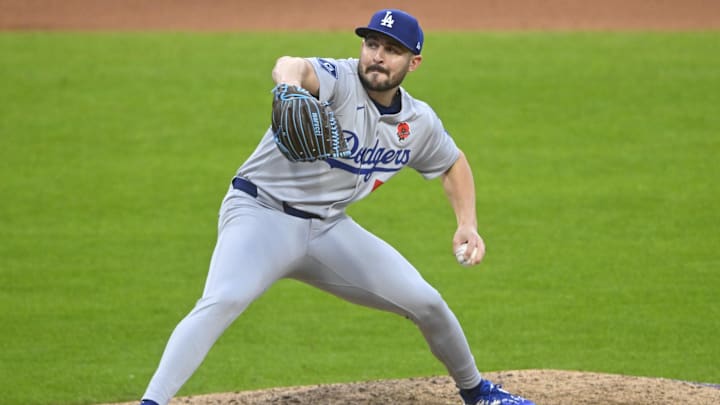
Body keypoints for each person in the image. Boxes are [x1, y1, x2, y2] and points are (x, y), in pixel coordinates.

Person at [139, 9, 534, 405]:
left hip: (327, 230)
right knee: (223, 299)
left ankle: (478, 392)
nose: (377, 55)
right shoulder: (338, 79)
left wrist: (467, 223)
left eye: (392, 50)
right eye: (372, 44)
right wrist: (289, 87)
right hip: (260, 215)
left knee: (427, 302)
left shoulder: (417, 122)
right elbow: (291, 65)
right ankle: (151, 402)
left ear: (414, 63)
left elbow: (452, 163)